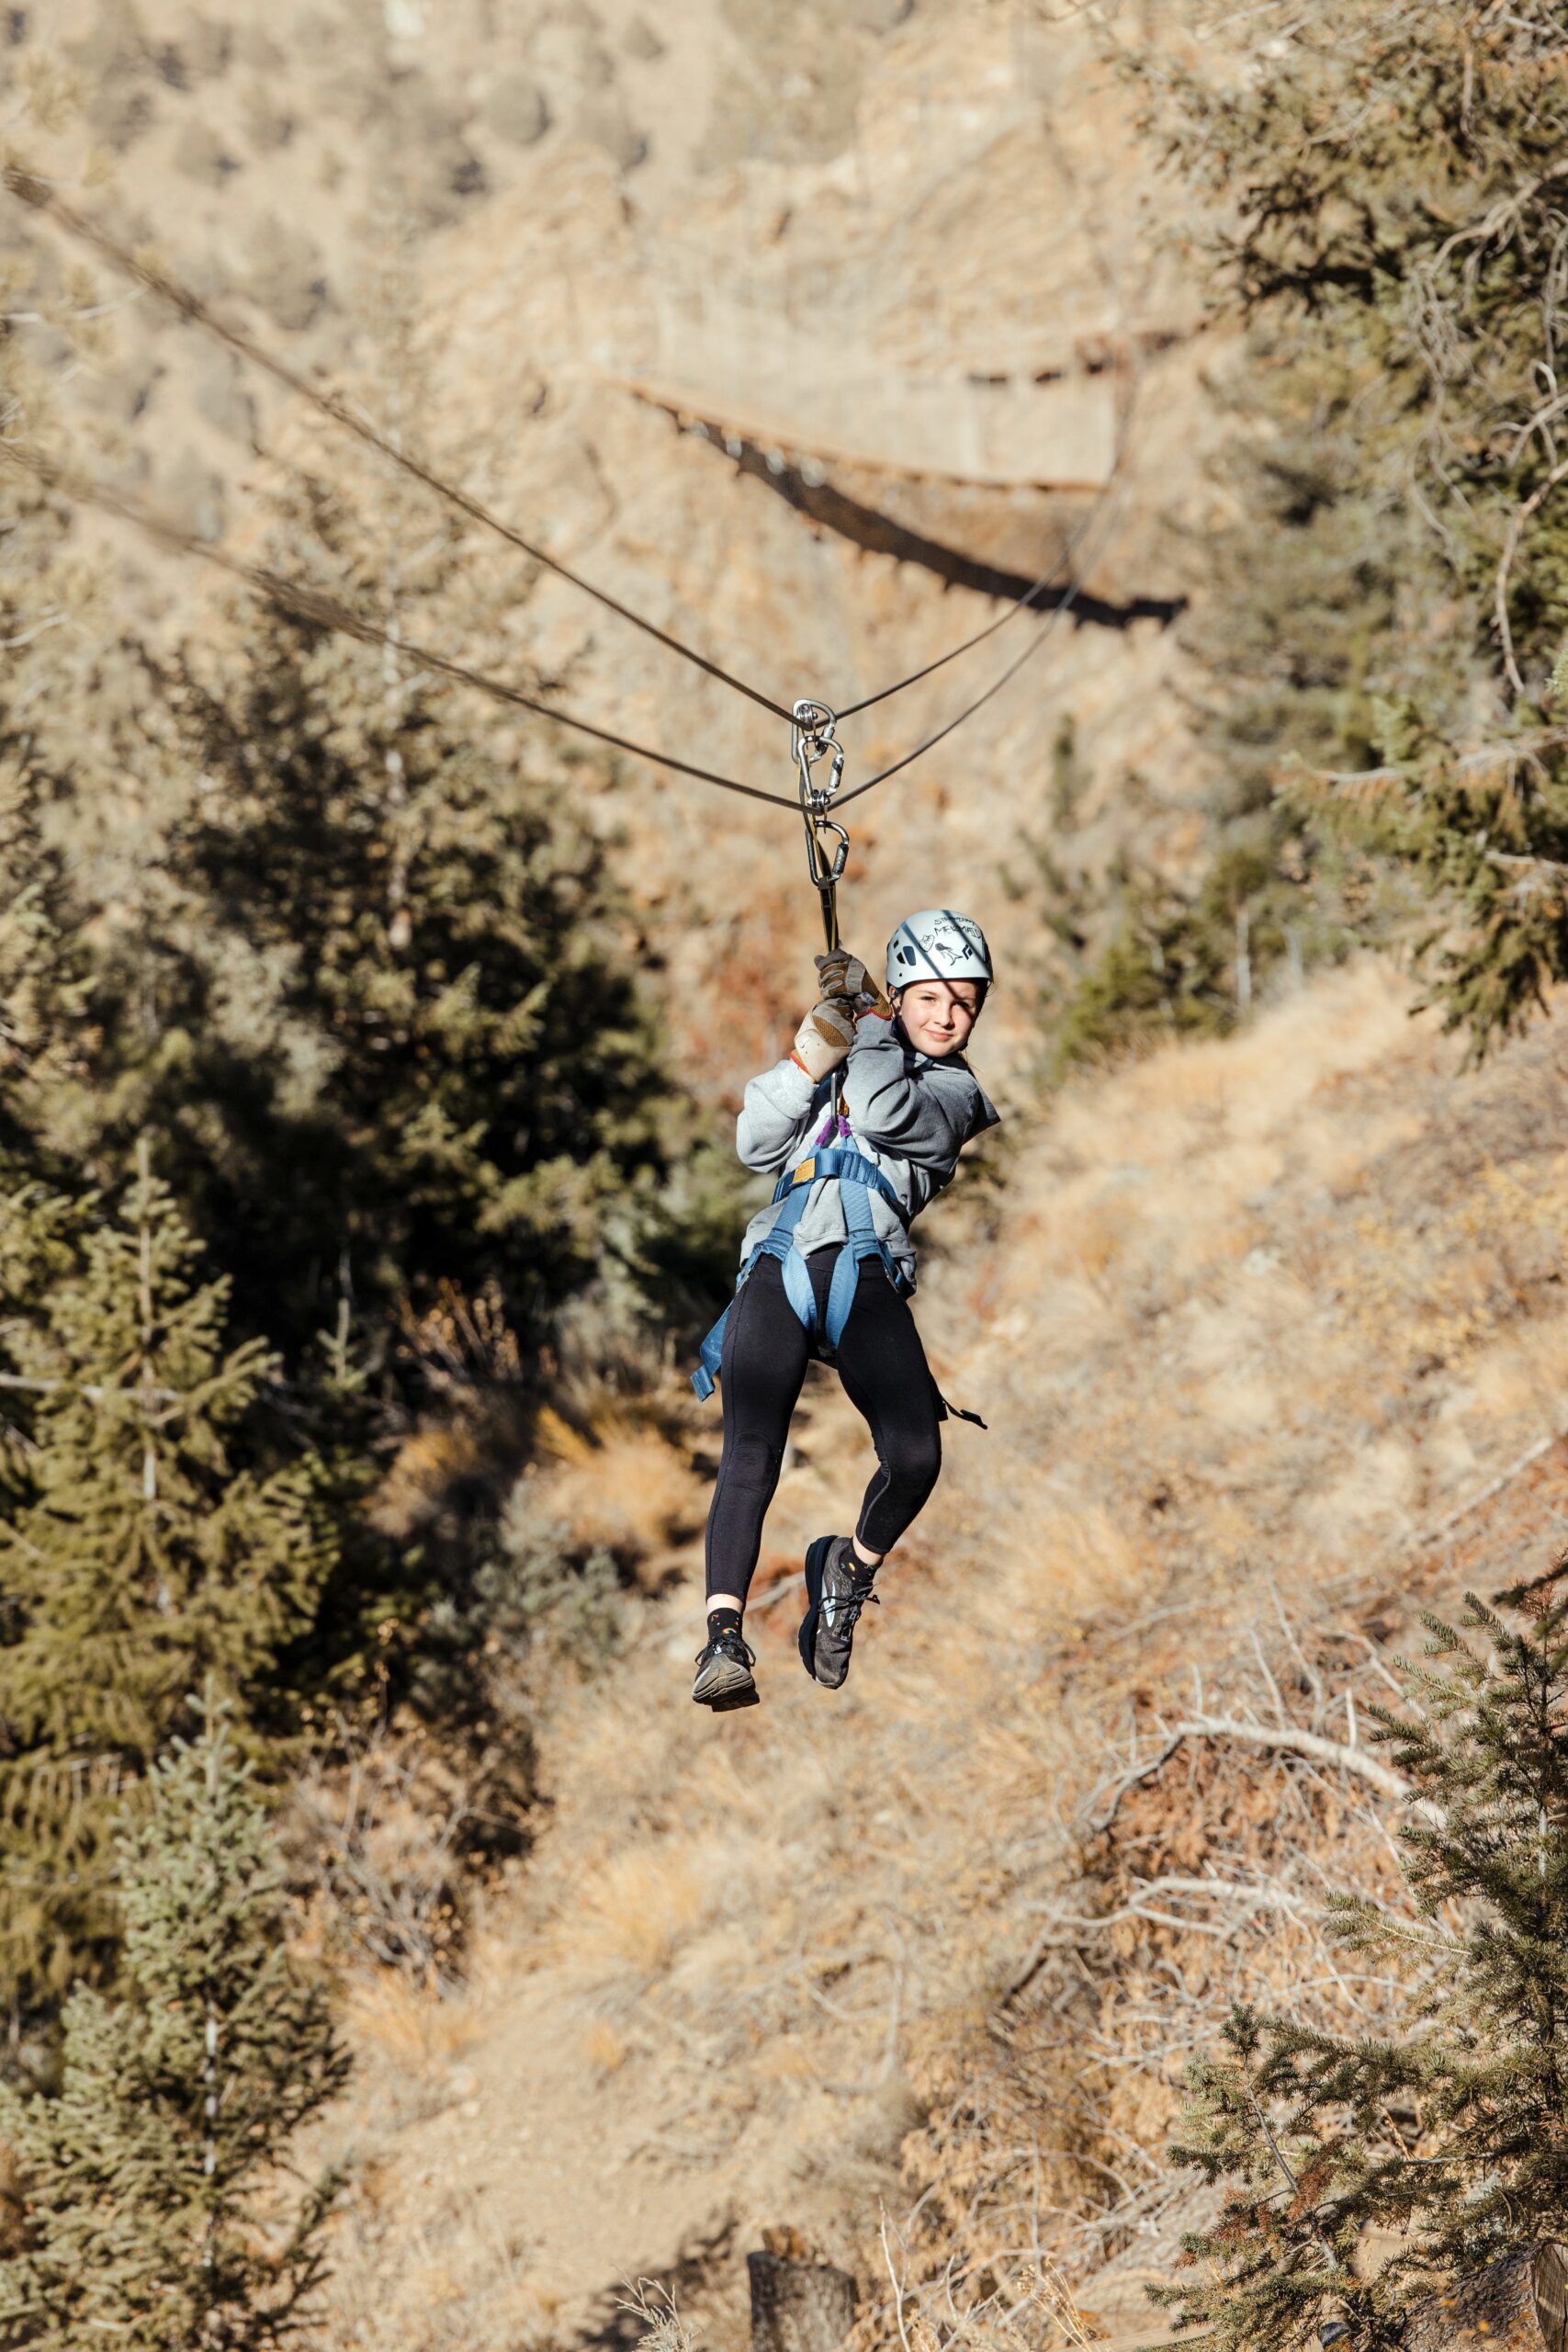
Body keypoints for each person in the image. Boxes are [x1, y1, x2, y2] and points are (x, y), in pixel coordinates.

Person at [691, 909, 1000, 1711]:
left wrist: (863, 1027)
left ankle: (847, 1571)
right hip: (780, 1260)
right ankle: (723, 1640)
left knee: (916, 1456)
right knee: (750, 1451)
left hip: (865, 1270)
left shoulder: (954, 1093)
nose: (946, 1016)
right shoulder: (850, 1057)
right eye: (930, 997)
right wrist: (810, 1052)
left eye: (963, 1003)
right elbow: (755, 1142)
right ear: (901, 995)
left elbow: (880, 1111)